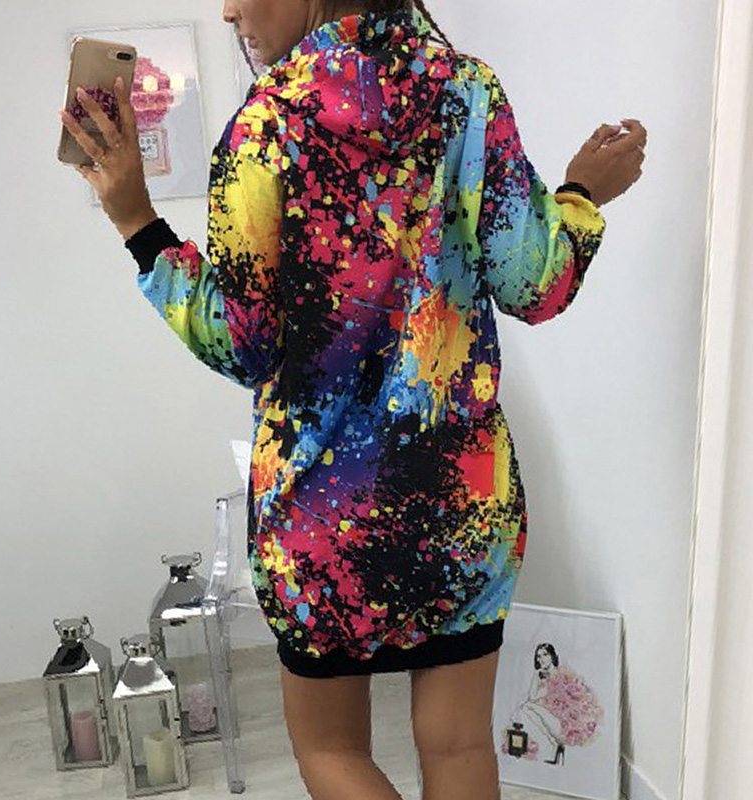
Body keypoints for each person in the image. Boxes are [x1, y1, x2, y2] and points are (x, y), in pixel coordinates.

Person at [59, 1, 646, 798]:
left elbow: (241, 344)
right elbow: (534, 282)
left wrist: (136, 221)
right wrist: (579, 194)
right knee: (460, 749)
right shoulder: (467, 93)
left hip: (320, 524)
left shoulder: (265, 128)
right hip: (459, 509)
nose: (228, 9)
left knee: (332, 754)